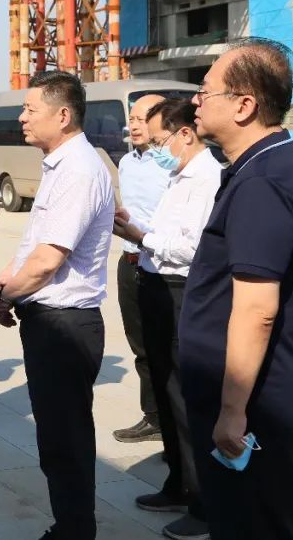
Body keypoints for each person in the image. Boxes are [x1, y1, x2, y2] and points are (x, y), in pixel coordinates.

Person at [181, 38, 293, 540]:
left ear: (244, 105)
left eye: (205, 91)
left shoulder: (265, 180)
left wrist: (232, 412)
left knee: (258, 523)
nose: (196, 101)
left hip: (256, 404)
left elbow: (256, 309)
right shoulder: (259, 167)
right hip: (253, 397)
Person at [0, 71, 114, 540]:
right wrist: (7, 283)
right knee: (57, 436)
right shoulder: (59, 166)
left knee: (66, 438)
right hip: (49, 320)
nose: (21, 118)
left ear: (62, 116)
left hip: (66, 325)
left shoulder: (78, 170)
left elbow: (46, 262)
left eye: (30, 109)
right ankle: (70, 523)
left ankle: (75, 530)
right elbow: (33, 247)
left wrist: (5, 294)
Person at [113, 98, 221, 540]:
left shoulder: (207, 178)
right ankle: (178, 482)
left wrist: (142, 236)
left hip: (182, 290)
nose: (155, 149)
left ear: (184, 134)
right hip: (155, 284)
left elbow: (193, 248)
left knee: (186, 400)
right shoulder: (179, 174)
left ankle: (204, 504)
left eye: (159, 141)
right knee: (164, 387)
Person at [112, 93, 169, 444]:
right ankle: (154, 417)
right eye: (131, 118)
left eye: (141, 118)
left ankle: (176, 423)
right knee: (141, 347)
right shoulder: (126, 163)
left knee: (168, 348)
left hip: (162, 265)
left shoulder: (172, 164)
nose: (133, 125)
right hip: (129, 260)